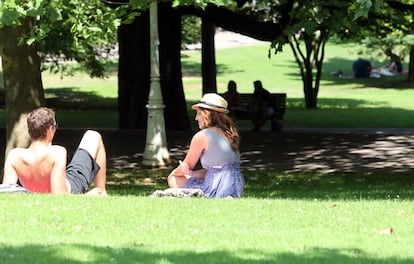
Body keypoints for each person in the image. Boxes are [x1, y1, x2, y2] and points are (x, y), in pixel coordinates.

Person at [2, 107, 107, 195]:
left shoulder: (14, 155)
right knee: (93, 135)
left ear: (30, 131)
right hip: (72, 187)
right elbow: (60, 196)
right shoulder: (57, 152)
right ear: (50, 130)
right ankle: (101, 191)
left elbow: (7, 192)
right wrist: (89, 196)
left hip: (52, 183)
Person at [167, 93, 244, 198]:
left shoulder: (202, 136)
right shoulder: (229, 134)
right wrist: (192, 174)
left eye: (199, 114)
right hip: (235, 187)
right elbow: (217, 170)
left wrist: (173, 173)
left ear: (207, 114)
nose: (196, 118)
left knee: (173, 178)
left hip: (217, 186)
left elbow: (185, 166)